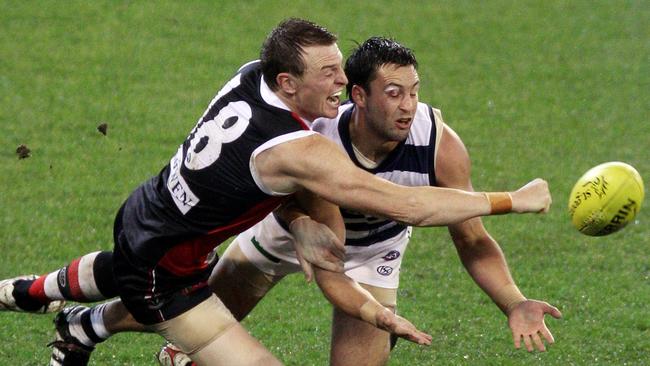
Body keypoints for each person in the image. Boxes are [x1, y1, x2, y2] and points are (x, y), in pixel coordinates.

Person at [2, 19, 551, 366]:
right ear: (292, 84)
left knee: (138, 271)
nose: (337, 84)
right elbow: (405, 204)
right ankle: (86, 323)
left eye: (414, 92)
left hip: (160, 214)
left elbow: (451, 239)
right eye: (332, 76)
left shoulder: (255, 75)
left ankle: (46, 302)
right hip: (205, 256)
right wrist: (513, 199)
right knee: (185, 313)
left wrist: (380, 311)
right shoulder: (306, 146)